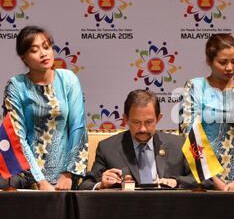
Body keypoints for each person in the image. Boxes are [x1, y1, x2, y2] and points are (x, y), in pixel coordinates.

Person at [1, 25, 88, 190]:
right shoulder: (16, 86)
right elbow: (17, 136)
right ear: (23, 58)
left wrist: (68, 174)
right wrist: (40, 181)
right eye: (34, 50)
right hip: (27, 177)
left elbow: (78, 127)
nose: (43, 53)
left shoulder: (68, 79)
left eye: (46, 47)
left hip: (65, 179)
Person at [179, 33, 234, 191]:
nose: (230, 68)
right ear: (209, 61)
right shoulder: (195, 87)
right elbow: (189, 134)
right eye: (222, 62)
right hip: (201, 179)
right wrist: (213, 180)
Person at [79, 89, 206, 190]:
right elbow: (85, 185)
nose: (143, 129)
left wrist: (176, 181)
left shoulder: (179, 145)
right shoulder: (108, 148)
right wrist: (101, 184)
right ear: (125, 119)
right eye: (136, 122)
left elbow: (204, 180)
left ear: (158, 118)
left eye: (149, 122)